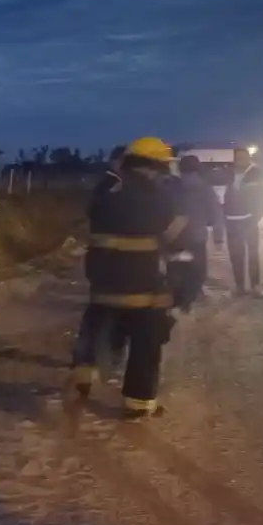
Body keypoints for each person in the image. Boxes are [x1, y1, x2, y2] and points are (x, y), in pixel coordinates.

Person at [71, 136, 187, 420]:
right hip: (143, 288)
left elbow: (86, 229)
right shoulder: (161, 198)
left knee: (96, 328)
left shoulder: (105, 191)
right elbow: (176, 240)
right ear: (154, 167)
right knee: (145, 344)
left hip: (103, 283)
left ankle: (82, 375)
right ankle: (139, 402)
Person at [166, 153, 225, 311]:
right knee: (196, 271)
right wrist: (218, 236)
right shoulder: (205, 188)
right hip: (196, 238)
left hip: (175, 237)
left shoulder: (171, 187)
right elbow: (216, 214)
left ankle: (175, 301)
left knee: (175, 269)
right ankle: (188, 301)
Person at [223, 146, 263, 297]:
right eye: (237, 158)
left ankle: (256, 286)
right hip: (231, 221)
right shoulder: (228, 173)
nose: (240, 160)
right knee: (236, 256)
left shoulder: (256, 173)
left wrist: (255, 217)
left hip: (249, 221)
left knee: (253, 255)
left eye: (243, 157)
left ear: (248, 158)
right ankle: (239, 287)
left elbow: (262, 198)